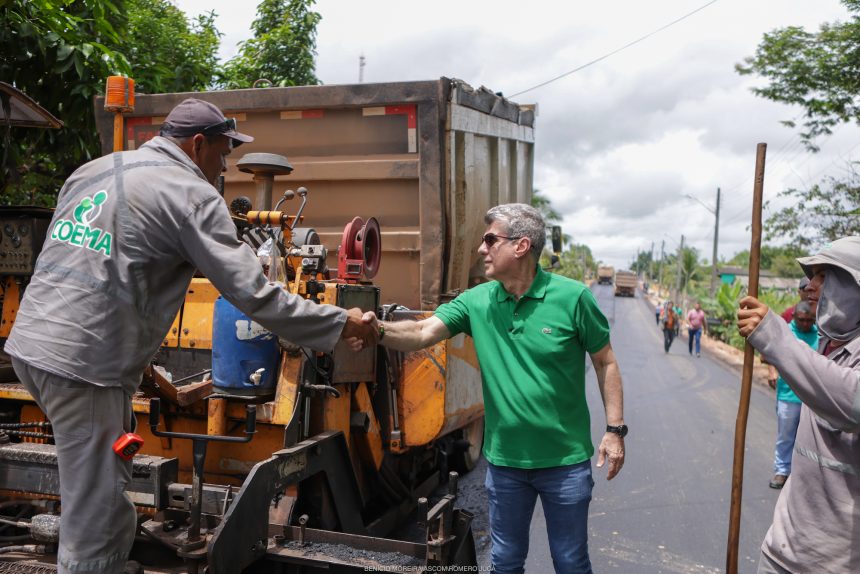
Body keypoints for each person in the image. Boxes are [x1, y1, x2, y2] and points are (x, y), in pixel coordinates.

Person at [3, 99, 378, 574]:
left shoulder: (93, 171)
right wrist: (338, 322)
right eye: (223, 153)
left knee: (102, 477)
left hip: (30, 347)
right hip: (84, 365)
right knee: (94, 507)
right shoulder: (191, 195)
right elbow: (254, 296)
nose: (224, 166)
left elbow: (106, 264)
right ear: (197, 145)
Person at [360, 203, 626, 574]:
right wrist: (379, 331)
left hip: (565, 465)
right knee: (505, 562)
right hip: (505, 465)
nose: (482, 249)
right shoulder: (477, 301)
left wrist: (614, 430)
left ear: (521, 246)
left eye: (490, 239)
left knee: (570, 562)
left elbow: (605, 361)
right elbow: (423, 332)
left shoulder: (573, 298)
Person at [736, 236, 860, 574]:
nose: (810, 286)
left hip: (835, 563)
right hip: (783, 549)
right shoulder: (827, 342)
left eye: (823, 277)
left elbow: (851, 400)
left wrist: (775, 337)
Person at [765, 301, 817, 490]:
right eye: (802, 320)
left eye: (810, 320)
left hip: (812, 396)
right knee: (786, 437)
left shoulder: (819, 333)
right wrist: (772, 371)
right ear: (794, 316)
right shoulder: (784, 332)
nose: (805, 324)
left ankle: (802, 475)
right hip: (788, 394)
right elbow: (768, 353)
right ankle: (781, 471)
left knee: (809, 439)